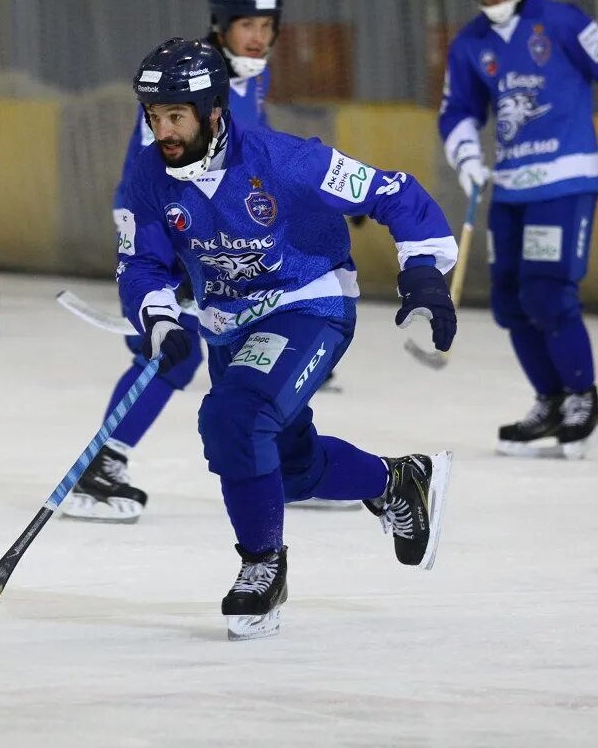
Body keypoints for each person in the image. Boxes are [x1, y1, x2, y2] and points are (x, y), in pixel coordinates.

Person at [116, 37, 458, 640]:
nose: (162, 131)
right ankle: (397, 480)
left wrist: (425, 275)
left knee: (235, 419)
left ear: (213, 112)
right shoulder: (149, 174)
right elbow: (140, 262)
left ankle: (262, 568)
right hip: (228, 324)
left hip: (307, 304)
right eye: (153, 116)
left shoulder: (286, 160)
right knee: (290, 468)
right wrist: (160, 318)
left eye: (175, 116)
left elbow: (395, 193)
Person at [64, 0, 292, 523]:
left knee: (253, 344)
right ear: (221, 24)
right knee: (170, 350)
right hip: (165, 224)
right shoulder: (187, 80)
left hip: (212, 229)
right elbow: (157, 168)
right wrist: (177, 252)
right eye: (247, 25)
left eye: (266, 26)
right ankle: (101, 465)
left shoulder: (250, 77)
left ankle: (289, 458)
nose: (258, 37)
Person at [438, 0, 598, 459]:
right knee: (510, 301)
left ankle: (582, 399)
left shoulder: (563, 21)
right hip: (510, 189)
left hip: (564, 180)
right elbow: (458, 109)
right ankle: (550, 401)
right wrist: (467, 156)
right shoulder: (470, 43)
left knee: (547, 293)